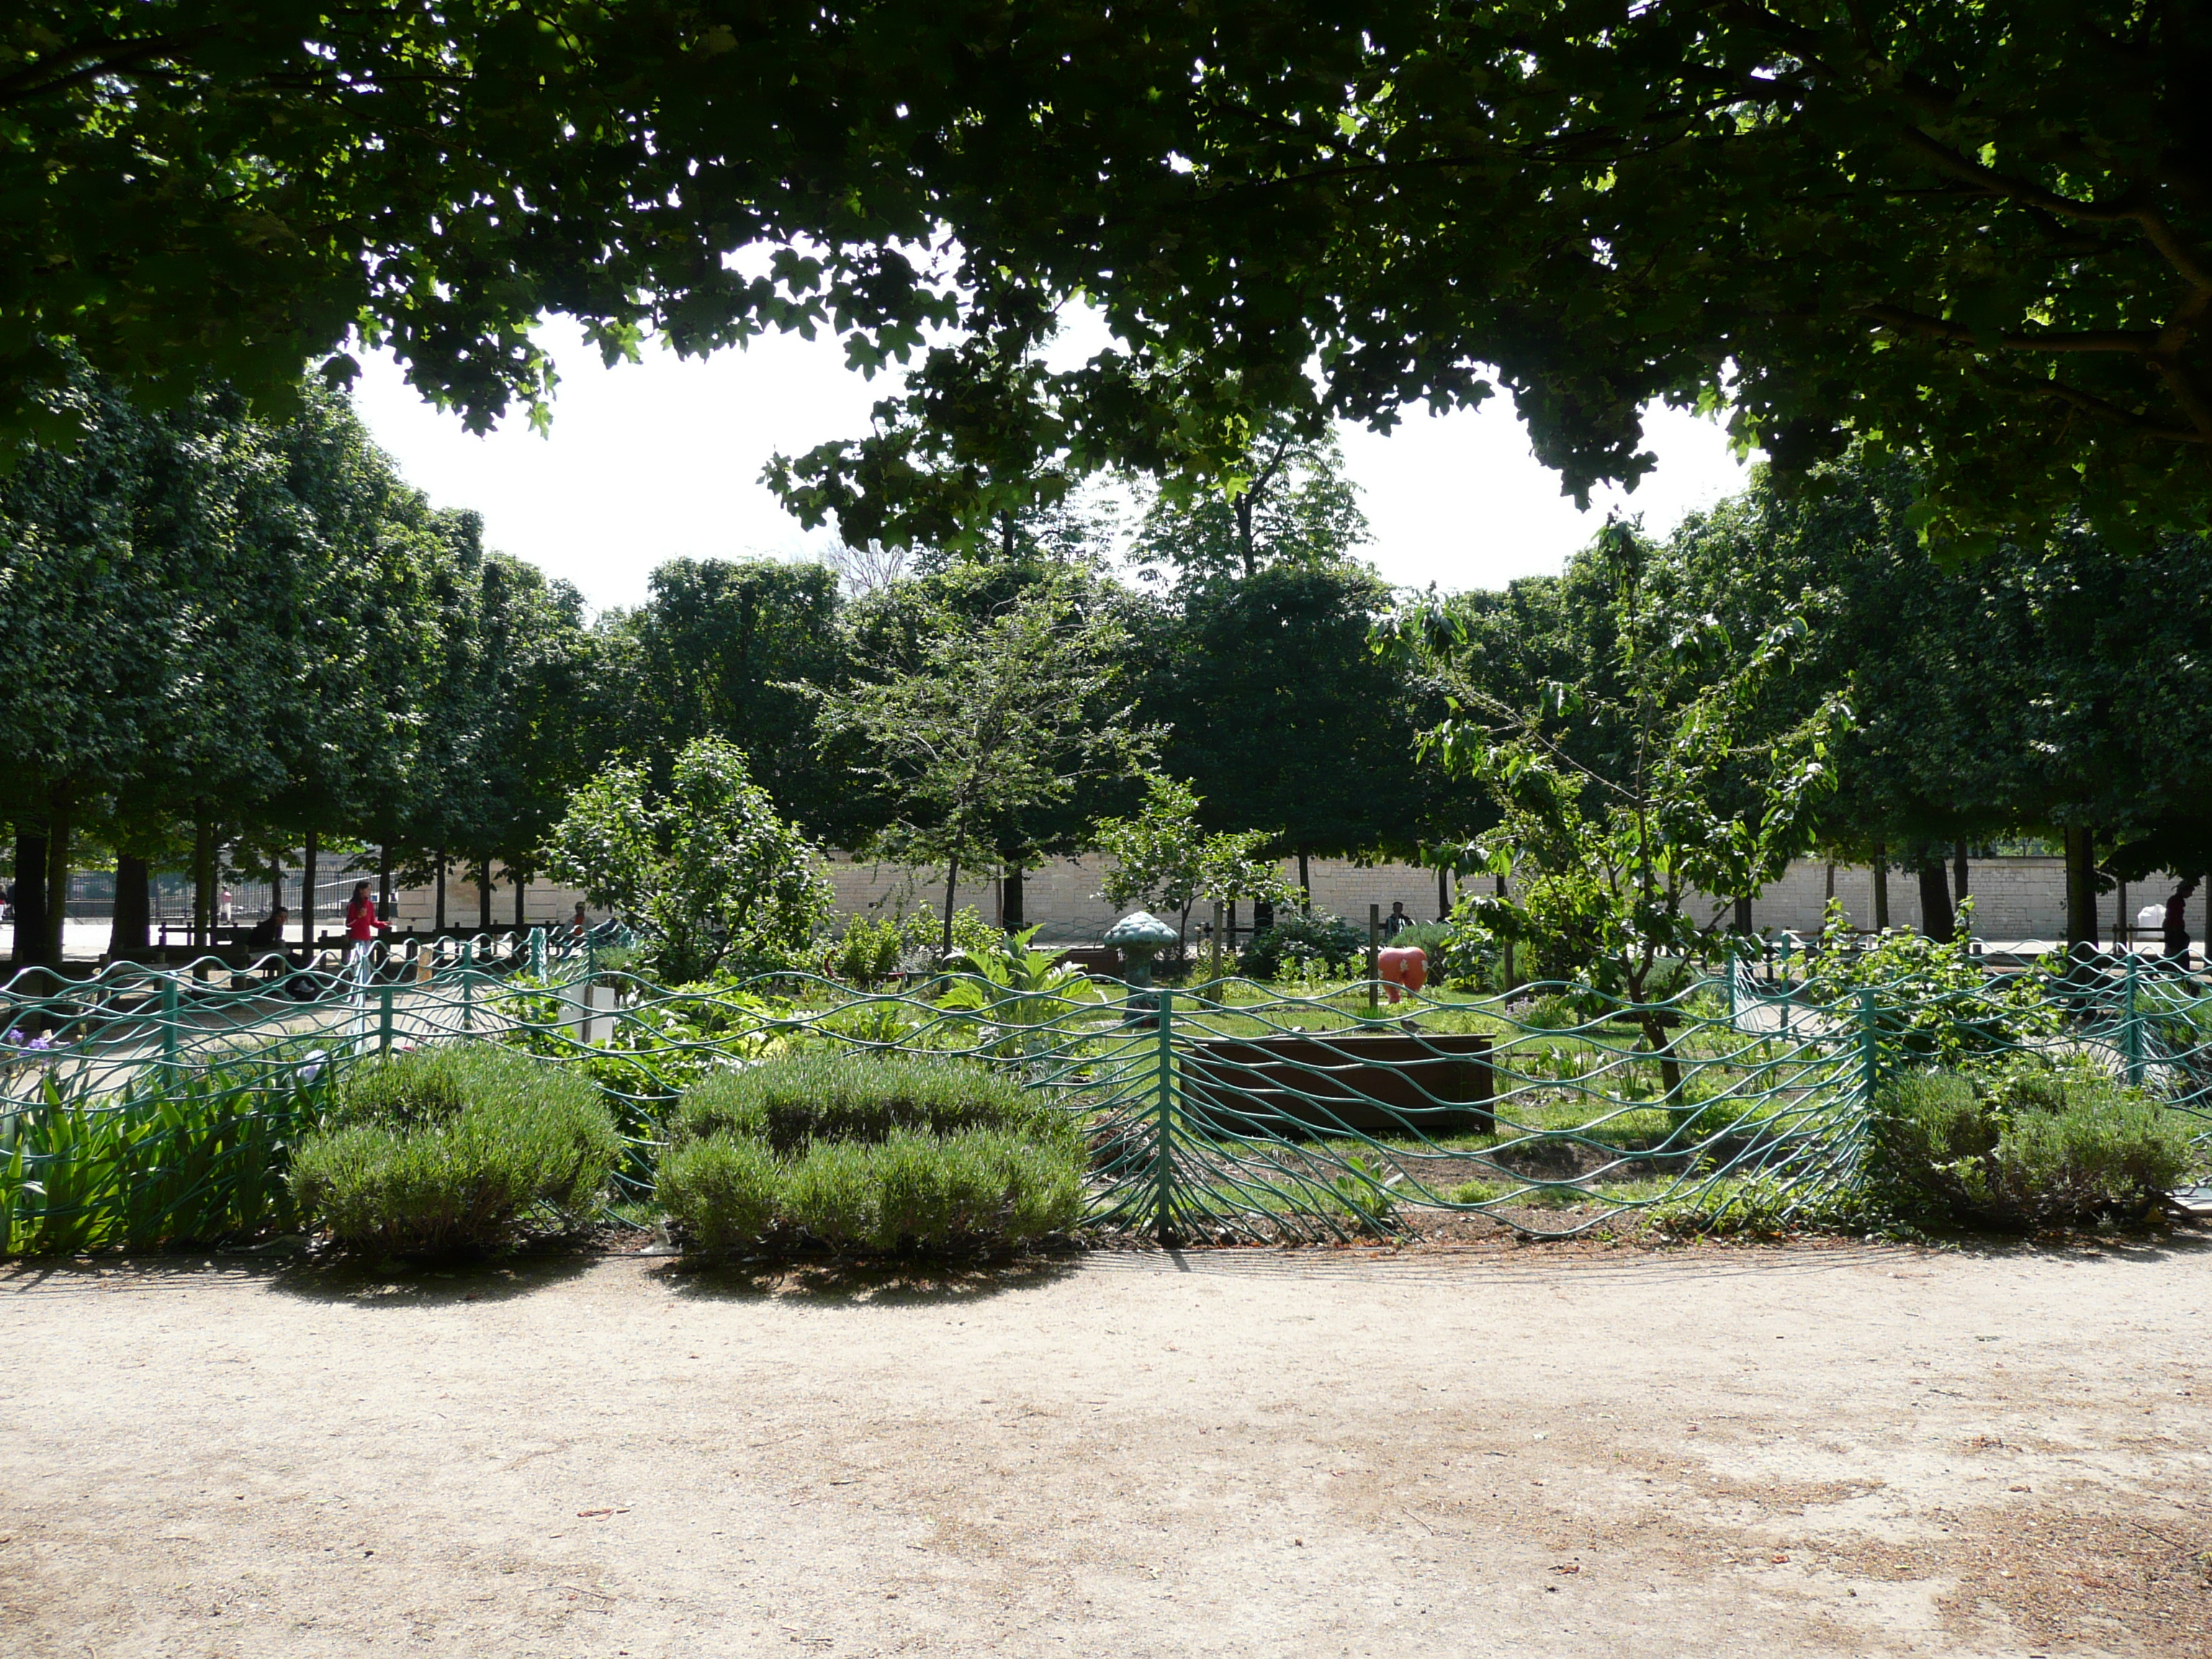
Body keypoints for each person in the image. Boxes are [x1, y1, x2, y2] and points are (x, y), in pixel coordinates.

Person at [344, 879, 389, 975]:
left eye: (370, 890)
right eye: (368, 890)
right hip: (356, 937)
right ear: (361, 890)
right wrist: (359, 917)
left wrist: (383, 924)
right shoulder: (352, 905)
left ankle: (366, 986)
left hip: (367, 937)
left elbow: (373, 922)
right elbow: (348, 924)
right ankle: (357, 986)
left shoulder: (370, 904)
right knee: (359, 962)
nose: (370, 892)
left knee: (366, 963)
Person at [2164, 876, 2198, 968]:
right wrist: (2177, 931)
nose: (2190, 895)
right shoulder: (2176, 901)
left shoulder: (2177, 900)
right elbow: (2174, 917)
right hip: (2174, 930)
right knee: (2177, 955)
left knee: (2176, 954)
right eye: (2190, 892)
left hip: (2174, 929)